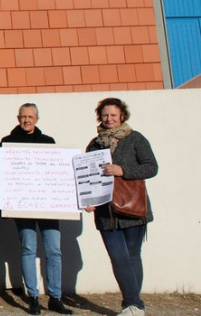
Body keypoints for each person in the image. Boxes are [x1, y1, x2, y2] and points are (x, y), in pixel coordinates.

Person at [85, 98, 157, 316]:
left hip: (133, 209)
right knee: (118, 258)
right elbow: (87, 176)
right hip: (106, 212)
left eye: (113, 115)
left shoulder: (136, 139)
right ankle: (134, 304)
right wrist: (88, 200)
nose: (109, 119)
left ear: (122, 116)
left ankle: (132, 305)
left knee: (133, 256)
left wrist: (122, 170)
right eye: (105, 115)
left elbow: (151, 168)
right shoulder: (95, 144)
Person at [0, 104, 72, 315]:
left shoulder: (48, 142)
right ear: (18, 117)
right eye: (23, 116)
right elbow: (4, 175)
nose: (26, 120)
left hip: (48, 206)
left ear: (37, 119)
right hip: (22, 207)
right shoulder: (8, 143)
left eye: (30, 117)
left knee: (53, 250)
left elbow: (57, 173)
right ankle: (33, 296)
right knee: (28, 248)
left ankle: (55, 297)